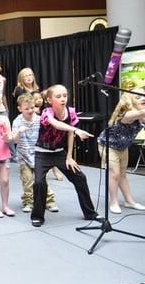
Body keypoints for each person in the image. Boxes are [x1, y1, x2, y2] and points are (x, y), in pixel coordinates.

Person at [30, 85, 101, 227]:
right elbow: (56, 124)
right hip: (42, 154)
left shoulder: (71, 112)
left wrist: (69, 156)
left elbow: (69, 135)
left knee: (80, 178)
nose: (63, 99)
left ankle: (90, 212)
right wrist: (76, 129)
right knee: (39, 183)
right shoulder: (46, 112)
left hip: (60, 153)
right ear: (49, 100)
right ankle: (37, 216)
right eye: (58, 96)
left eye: (64, 95)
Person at [96, 88, 145, 214]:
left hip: (122, 147)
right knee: (115, 174)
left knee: (123, 174)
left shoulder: (141, 114)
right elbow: (137, 115)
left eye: (144, 96)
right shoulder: (128, 113)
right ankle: (113, 202)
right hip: (108, 145)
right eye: (138, 97)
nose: (143, 98)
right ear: (129, 100)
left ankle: (129, 201)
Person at [11, 94, 58, 214]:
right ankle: (28, 202)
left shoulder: (40, 119)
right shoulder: (17, 121)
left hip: (39, 155)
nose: (30, 110)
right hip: (23, 156)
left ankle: (49, 201)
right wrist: (19, 132)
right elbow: (14, 140)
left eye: (32, 107)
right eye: (26, 108)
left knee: (41, 180)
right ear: (20, 108)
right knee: (27, 181)